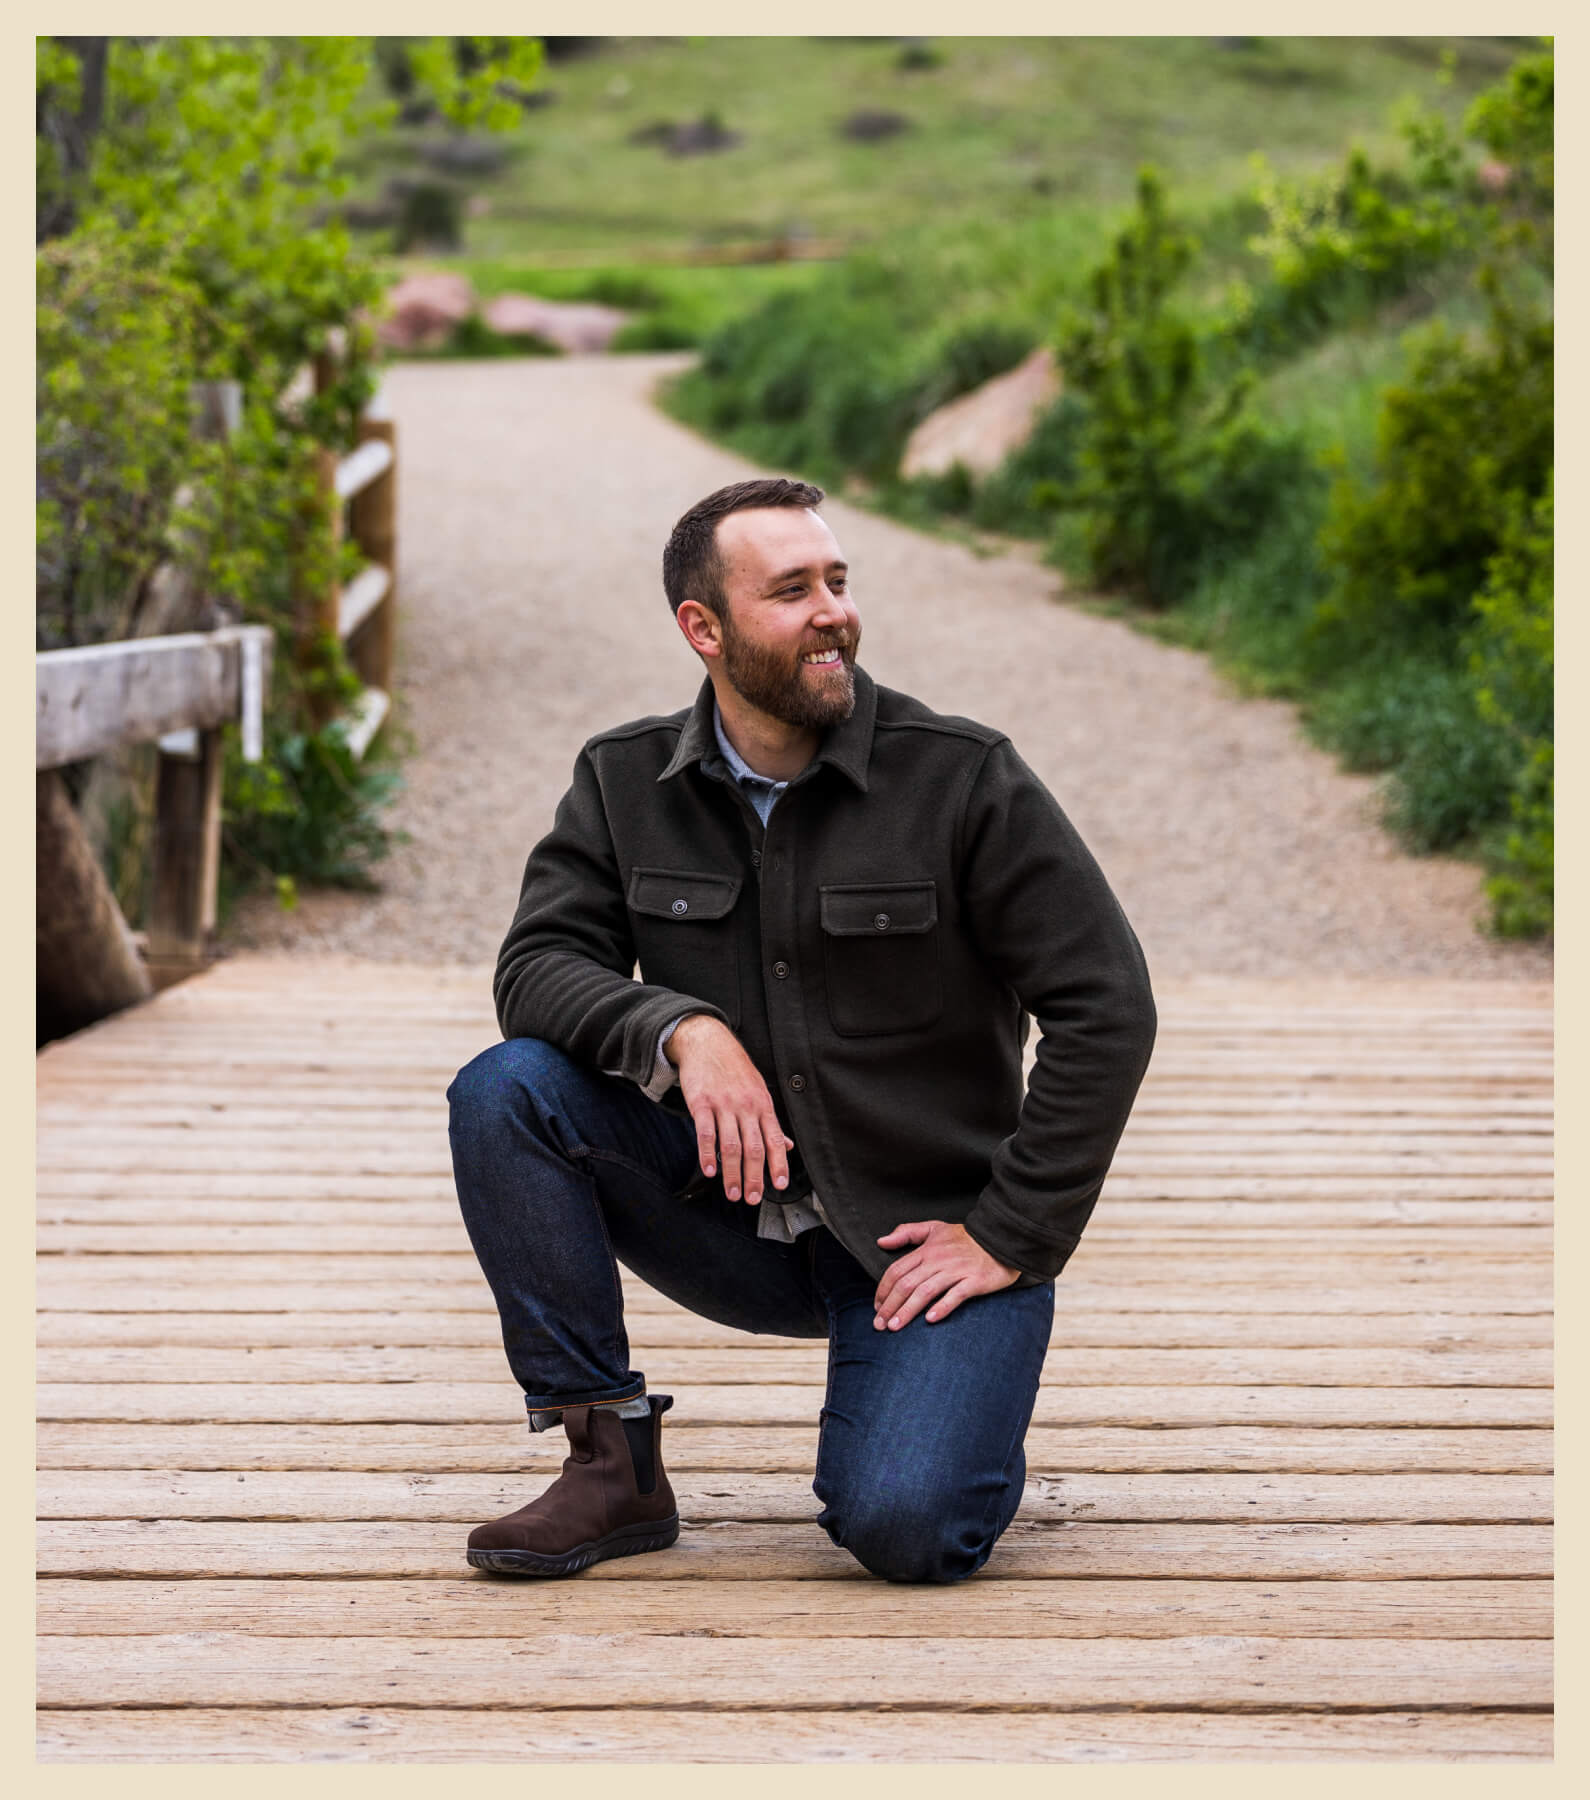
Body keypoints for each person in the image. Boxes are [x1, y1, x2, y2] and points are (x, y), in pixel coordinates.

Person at [447, 476, 1156, 1583]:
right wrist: (677, 1026)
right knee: (508, 1091)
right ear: (704, 629)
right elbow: (536, 969)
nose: (833, 610)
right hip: (723, 1212)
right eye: (791, 590)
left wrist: (1012, 1234)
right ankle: (607, 1464)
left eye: (838, 580)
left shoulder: (963, 777)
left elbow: (1108, 1005)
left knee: (912, 1530)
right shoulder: (622, 780)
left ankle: (955, 1413)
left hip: (923, 1246)